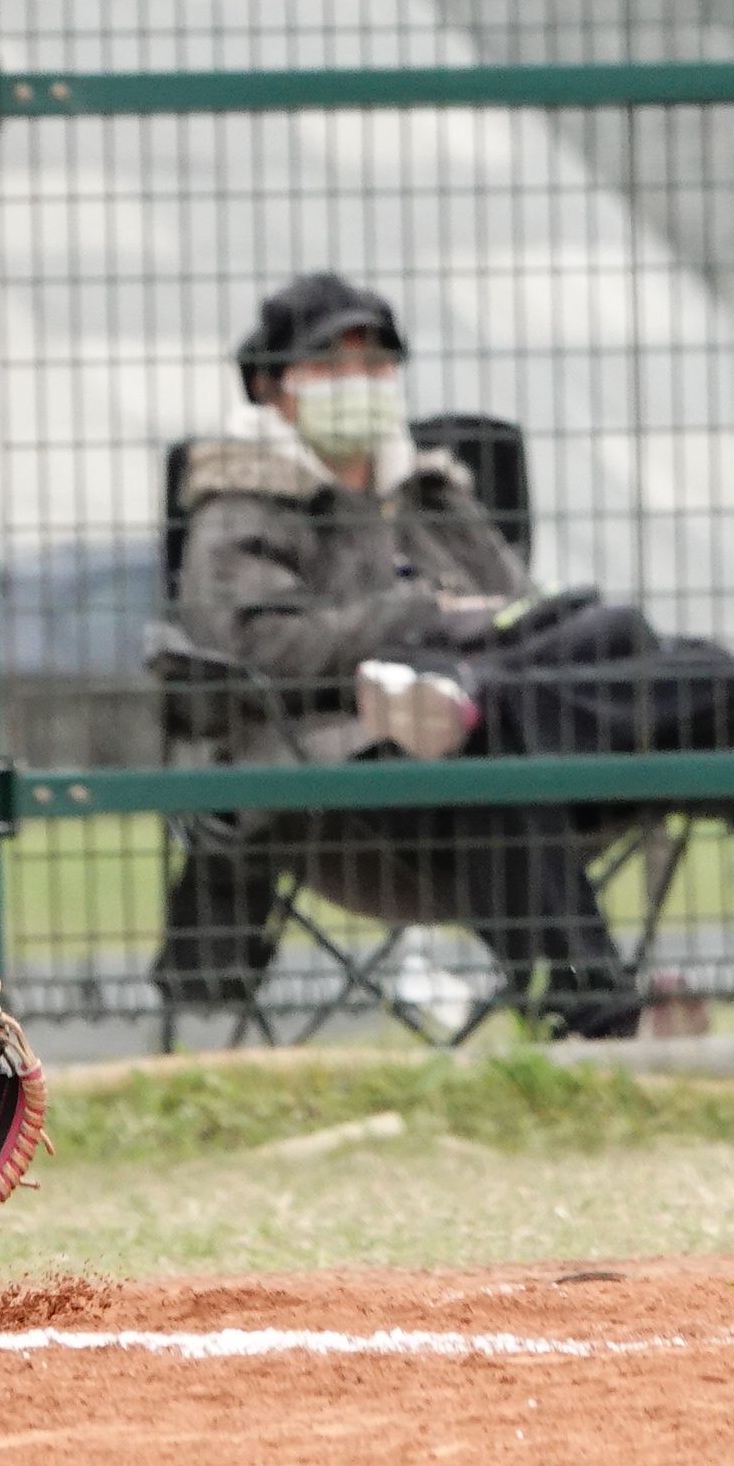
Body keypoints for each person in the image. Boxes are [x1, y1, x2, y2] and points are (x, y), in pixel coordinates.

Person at [161, 273, 672, 1042]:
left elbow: (520, 608)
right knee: (497, 741)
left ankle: (733, 710)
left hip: (498, 707)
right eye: (329, 367)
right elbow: (251, 647)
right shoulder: (241, 506)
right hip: (340, 766)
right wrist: (417, 621)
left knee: (616, 635)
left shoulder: (435, 492)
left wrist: (492, 633)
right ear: (271, 387)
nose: (358, 383)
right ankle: (591, 1013)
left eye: (375, 365)